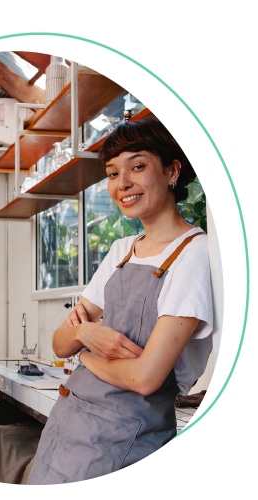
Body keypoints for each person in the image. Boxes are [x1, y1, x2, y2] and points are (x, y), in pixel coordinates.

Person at [27, 115, 214, 484]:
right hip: (68, 423)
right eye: (113, 173)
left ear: (172, 170)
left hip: (122, 439)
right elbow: (60, 342)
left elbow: (145, 378)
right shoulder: (122, 250)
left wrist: (86, 350)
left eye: (138, 166)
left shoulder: (195, 253)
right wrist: (87, 337)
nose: (122, 184)